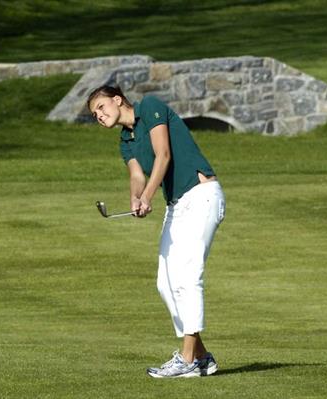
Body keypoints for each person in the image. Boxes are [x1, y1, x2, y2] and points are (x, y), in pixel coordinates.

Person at [87, 85, 226, 378]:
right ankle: (201, 357)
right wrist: (136, 198)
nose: (99, 116)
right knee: (165, 282)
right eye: (94, 114)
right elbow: (138, 175)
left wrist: (149, 196)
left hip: (201, 195)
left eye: (101, 107)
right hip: (177, 205)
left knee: (188, 277)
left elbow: (163, 155)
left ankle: (187, 359)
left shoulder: (149, 107)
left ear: (117, 99)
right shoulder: (126, 140)